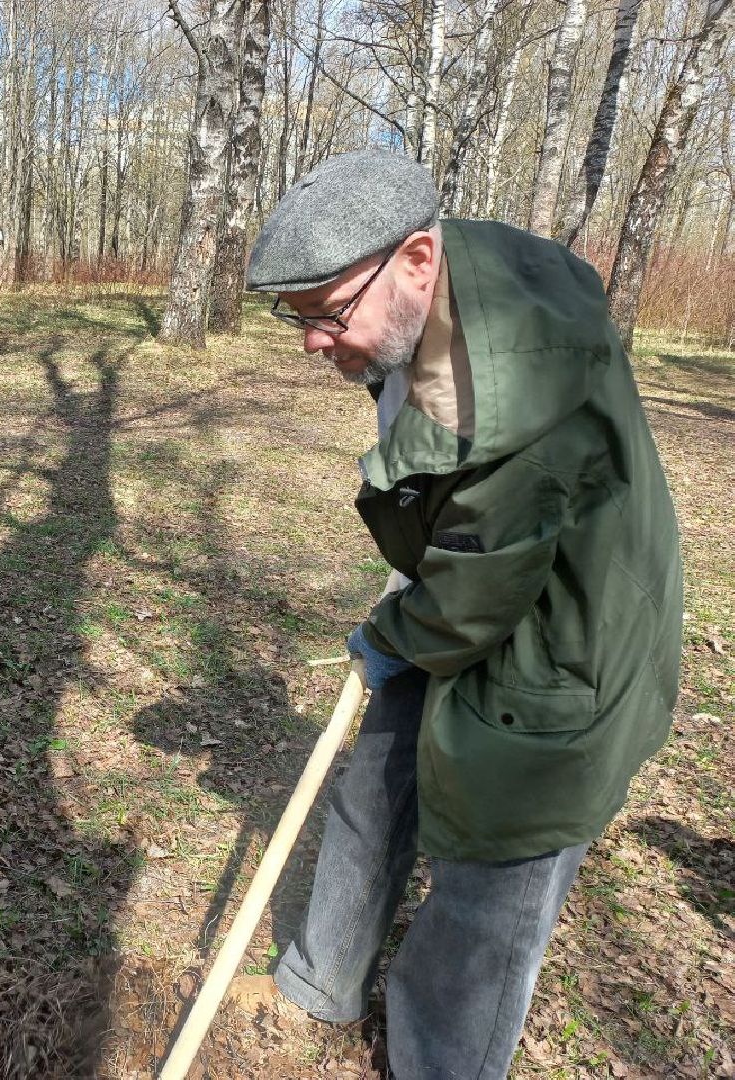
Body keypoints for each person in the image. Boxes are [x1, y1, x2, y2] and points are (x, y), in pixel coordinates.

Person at [243, 150, 682, 1077]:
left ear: (414, 259)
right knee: (379, 776)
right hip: (461, 580)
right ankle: (325, 980)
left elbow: (478, 598)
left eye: (327, 315)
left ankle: (437, 1062)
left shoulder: (517, 397)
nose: (313, 343)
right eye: (298, 318)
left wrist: (391, 634)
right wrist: (411, 607)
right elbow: (464, 549)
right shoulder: (424, 291)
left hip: (568, 652)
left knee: (492, 892)